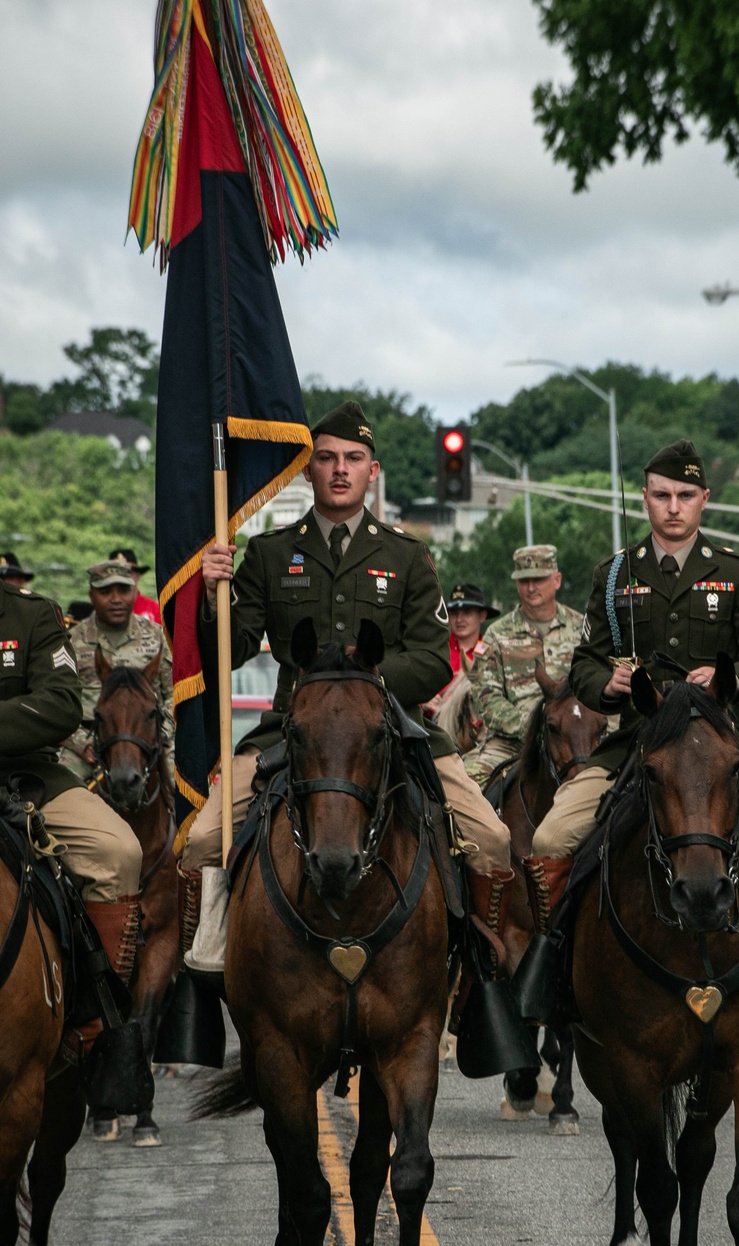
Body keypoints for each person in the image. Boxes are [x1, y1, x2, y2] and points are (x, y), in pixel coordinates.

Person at [179, 400, 514, 971]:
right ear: (308, 470)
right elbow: (227, 653)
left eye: (353, 459)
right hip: (293, 729)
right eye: (328, 458)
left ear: (372, 472)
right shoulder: (268, 553)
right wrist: (212, 597)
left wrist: (368, 684)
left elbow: (434, 660)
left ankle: (476, 965)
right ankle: (209, 963)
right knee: (204, 839)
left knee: (494, 839)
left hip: (393, 728)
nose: (340, 469)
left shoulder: (407, 556)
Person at [516, 438, 739, 978]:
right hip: (638, 740)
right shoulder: (614, 575)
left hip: (725, 739)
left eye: (685, 495)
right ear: (645, 499)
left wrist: (727, 680)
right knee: (550, 838)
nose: (673, 506)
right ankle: (554, 974)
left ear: (704, 500)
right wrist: (612, 684)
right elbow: (583, 664)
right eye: (662, 495)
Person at [0, 577, 143, 979]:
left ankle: (98, 1020)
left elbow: (61, 703)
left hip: (23, 774)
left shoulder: (31, 614)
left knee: (118, 853)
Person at [464, 546, 584, 788]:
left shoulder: (582, 628)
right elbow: (485, 695)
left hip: (576, 737)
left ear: (556, 580)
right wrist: (527, 727)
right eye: (524, 581)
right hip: (512, 741)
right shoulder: (496, 634)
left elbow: (599, 683)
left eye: (538, 579)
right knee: (467, 781)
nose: (531, 588)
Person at [60, 560, 175, 785]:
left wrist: (162, 732)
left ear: (134, 592)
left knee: (189, 791)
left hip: (150, 739)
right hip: (90, 743)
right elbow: (59, 704)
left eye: (123, 590)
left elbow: (174, 693)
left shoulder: (157, 637)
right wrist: (81, 743)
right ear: (91, 594)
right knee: (56, 793)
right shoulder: (72, 642)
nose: (116, 599)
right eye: (105, 591)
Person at [422, 582, 499, 743]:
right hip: (430, 729)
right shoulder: (434, 648)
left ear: (482, 615)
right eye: (454, 613)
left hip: (479, 736)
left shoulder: (492, 653)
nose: (459, 619)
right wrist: (423, 701)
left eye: (467, 612)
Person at [107, 547, 161, 624]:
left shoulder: (154, 609)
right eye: (118, 573)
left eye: (128, 572)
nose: (123, 577)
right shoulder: (102, 608)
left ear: (137, 575)